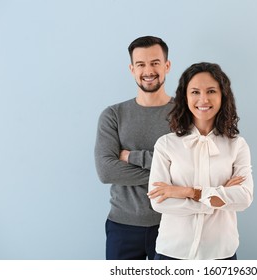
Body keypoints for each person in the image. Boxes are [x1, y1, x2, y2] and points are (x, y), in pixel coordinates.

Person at [148, 62, 254, 260]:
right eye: (195, 92)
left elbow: (243, 198)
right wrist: (218, 199)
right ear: (185, 97)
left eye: (211, 91)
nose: (203, 99)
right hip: (172, 253)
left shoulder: (237, 146)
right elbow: (159, 202)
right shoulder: (166, 144)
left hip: (220, 253)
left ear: (223, 96)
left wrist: (187, 192)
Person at [94, 36, 174, 260]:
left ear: (167, 66)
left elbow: (190, 169)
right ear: (132, 69)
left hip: (173, 225)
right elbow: (106, 171)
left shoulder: (185, 114)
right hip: (123, 226)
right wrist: (167, 170)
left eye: (155, 63)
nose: (148, 70)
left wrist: (131, 157)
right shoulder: (113, 115)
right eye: (141, 64)